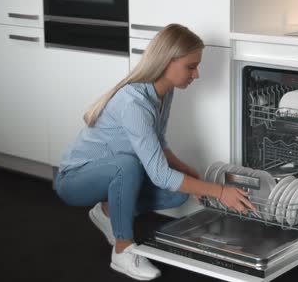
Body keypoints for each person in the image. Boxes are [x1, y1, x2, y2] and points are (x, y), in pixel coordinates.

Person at [54, 24, 254, 281]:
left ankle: (106, 212)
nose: (197, 74)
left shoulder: (163, 93)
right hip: (74, 180)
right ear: (167, 62)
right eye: (191, 66)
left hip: (114, 174)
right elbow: (160, 175)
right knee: (127, 166)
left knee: (176, 196)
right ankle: (123, 250)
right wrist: (220, 192)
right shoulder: (133, 102)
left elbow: (157, 142)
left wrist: (191, 174)